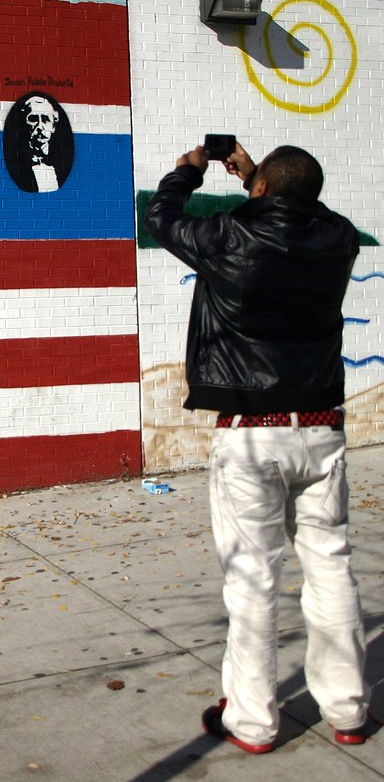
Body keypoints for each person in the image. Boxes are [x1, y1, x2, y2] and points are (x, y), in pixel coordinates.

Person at [144, 142, 370, 753]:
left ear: (262, 190)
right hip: (322, 428)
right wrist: (257, 180)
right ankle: (348, 707)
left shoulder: (227, 237)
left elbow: (161, 217)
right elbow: (298, 215)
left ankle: (252, 719)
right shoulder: (341, 238)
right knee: (332, 567)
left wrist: (191, 167)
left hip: (252, 435)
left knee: (253, 584)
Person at [3, 92, 74, 193]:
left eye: (46, 119)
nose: (40, 127)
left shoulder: (59, 166)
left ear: (53, 126)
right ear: (24, 125)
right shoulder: (18, 166)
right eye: (33, 119)